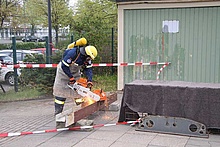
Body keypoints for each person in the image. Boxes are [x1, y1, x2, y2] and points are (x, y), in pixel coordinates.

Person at [53, 38, 98, 127]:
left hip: (75, 73)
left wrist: (89, 80)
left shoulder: (87, 58)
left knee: (78, 94)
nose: (89, 59)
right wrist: (70, 78)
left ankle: (80, 113)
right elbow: (64, 67)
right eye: (89, 57)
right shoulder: (72, 53)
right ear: (86, 54)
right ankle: (58, 115)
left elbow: (88, 69)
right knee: (60, 95)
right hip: (63, 73)